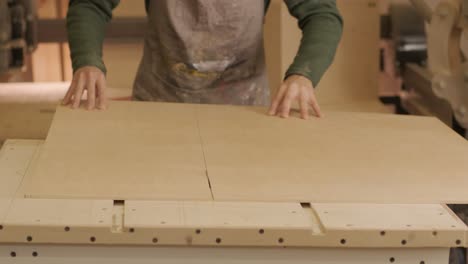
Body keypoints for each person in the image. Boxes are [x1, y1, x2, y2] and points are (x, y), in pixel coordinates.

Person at [63, 0, 343, 119]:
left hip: (244, 110)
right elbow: (90, 4)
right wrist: (87, 60)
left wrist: (303, 74)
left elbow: (322, 14)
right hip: (159, 104)